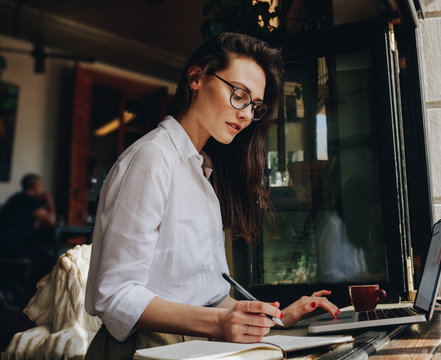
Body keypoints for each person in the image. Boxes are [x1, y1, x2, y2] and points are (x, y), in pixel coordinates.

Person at [84, 33, 340, 358]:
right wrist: (219, 323)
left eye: (254, 106)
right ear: (196, 78)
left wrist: (275, 318)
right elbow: (116, 295)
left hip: (196, 347)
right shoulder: (152, 158)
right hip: (147, 350)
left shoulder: (202, 173)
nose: (247, 114)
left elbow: (205, 296)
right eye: (239, 94)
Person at [0, 173, 56, 258]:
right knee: (50, 258)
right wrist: (50, 201)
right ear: (36, 186)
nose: (43, 189)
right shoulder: (30, 200)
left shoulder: (16, 197)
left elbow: (34, 226)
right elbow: (51, 221)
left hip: (6, 243)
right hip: (16, 244)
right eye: (42, 185)